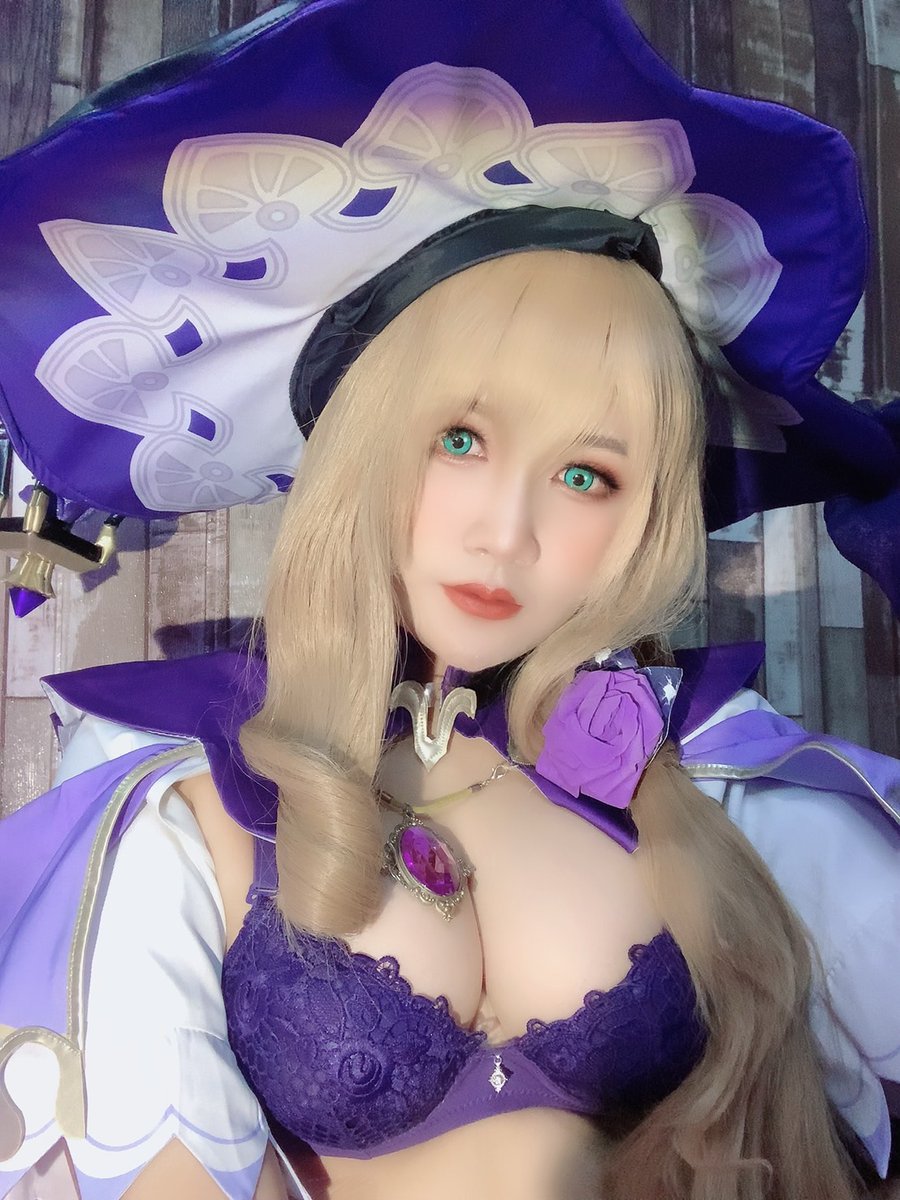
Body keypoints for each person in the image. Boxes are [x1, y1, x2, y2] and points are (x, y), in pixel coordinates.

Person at [0, 2, 898, 1199]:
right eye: (461, 439)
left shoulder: (725, 775)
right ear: (362, 448)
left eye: (587, 475)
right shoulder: (165, 786)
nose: (506, 531)